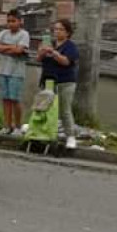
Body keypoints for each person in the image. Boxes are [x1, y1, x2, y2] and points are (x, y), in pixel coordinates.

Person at [37, 19, 80, 149]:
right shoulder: (49, 43)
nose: (57, 32)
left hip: (65, 81)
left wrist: (54, 53)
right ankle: (46, 132)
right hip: (48, 81)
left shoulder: (70, 46)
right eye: (55, 29)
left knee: (65, 110)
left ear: (67, 32)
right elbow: (38, 59)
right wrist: (42, 52)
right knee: (45, 108)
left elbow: (66, 62)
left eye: (61, 29)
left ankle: (70, 136)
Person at [0, 9, 31, 136]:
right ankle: (7, 125)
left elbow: (19, 50)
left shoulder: (24, 34)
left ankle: (18, 126)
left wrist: (5, 48)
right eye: (8, 21)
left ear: (20, 21)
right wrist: (11, 47)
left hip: (16, 72)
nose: (10, 24)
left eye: (13, 21)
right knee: (5, 99)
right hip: (2, 70)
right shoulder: (3, 33)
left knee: (15, 99)